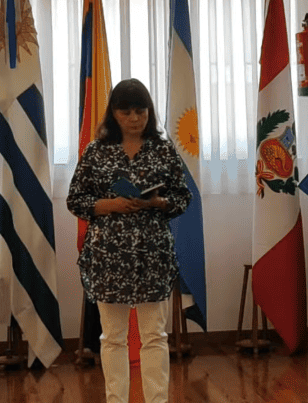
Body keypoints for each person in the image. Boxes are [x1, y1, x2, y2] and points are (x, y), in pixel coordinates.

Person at [67, 79, 191, 403]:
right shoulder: (97, 151)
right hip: (109, 256)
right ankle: (116, 400)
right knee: (112, 338)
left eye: (141, 110)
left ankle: (157, 400)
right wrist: (110, 205)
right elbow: (75, 200)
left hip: (152, 255)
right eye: (127, 111)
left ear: (149, 112)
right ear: (114, 114)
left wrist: (158, 203)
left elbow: (183, 197)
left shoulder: (163, 150)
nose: (135, 118)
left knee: (154, 335)